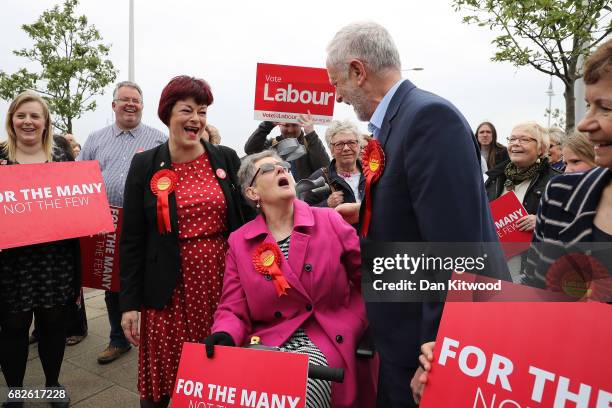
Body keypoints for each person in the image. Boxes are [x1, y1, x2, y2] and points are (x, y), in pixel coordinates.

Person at [411, 38, 612, 406]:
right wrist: (460, 352)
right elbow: (532, 309)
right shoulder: (564, 195)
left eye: (606, 108)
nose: (586, 123)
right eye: (587, 106)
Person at [325, 22, 509, 407]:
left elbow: (456, 248)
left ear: (359, 71)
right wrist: (369, 212)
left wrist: (442, 350)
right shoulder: (397, 122)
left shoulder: (427, 119)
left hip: (428, 347)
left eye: (336, 82)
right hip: (401, 337)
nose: (337, 96)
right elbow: (419, 207)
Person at [205, 150, 377, 408]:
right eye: (268, 169)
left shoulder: (329, 220)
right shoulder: (240, 241)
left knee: (294, 392)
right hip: (269, 342)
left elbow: (371, 274)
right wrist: (225, 333)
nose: (282, 170)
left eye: (284, 166)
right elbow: (232, 307)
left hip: (326, 337)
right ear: (253, 193)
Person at [119, 75, 252, 408]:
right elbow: (132, 238)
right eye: (187, 110)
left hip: (219, 283)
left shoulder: (225, 158)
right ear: (168, 114)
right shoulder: (145, 164)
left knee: (218, 371)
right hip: (166, 289)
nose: (196, 119)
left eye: (202, 111)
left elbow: (248, 219)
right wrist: (129, 304)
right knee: (167, 379)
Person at [78, 80, 167, 365]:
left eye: (136, 100)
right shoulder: (95, 138)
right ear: (114, 104)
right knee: (113, 283)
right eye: (124, 99)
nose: (131, 104)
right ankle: (118, 339)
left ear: (142, 106)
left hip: (148, 223)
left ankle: (153, 340)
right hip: (107, 222)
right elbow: (79, 175)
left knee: (150, 280)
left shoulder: (158, 138)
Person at [0, 91, 79, 408]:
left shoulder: (61, 155)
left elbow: (77, 201)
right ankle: (16, 390)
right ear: (11, 121)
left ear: (45, 122)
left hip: (54, 260)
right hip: (10, 262)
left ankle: (52, 385)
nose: (28, 122)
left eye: (35, 116)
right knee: (14, 326)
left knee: (52, 324)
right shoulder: (0, 156)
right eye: (22, 115)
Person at [484, 122, 560, 280]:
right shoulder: (494, 178)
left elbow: (569, 223)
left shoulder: (556, 180)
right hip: (492, 264)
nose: (516, 144)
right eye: (512, 139)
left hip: (530, 269)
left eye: (524, 139)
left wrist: (542, 221)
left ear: (541, 148)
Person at [244, 115, 330, 182]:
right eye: (286, 125)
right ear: (279, 125)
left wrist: (311, 133)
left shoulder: (311, 143)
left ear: (301, 125)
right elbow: (250, 150)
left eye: (294, 125)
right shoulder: (272, 145)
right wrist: (267, 124)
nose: (290, 130)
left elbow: (325, 167)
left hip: (306, 199)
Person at [303, 119, 364, 211]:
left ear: (359, 146)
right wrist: (327, 204)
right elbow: (304, 212)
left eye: (351, 143)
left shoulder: (372, 173)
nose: (346, 148)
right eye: (339, 144)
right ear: (331, 150)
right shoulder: (320, 178)